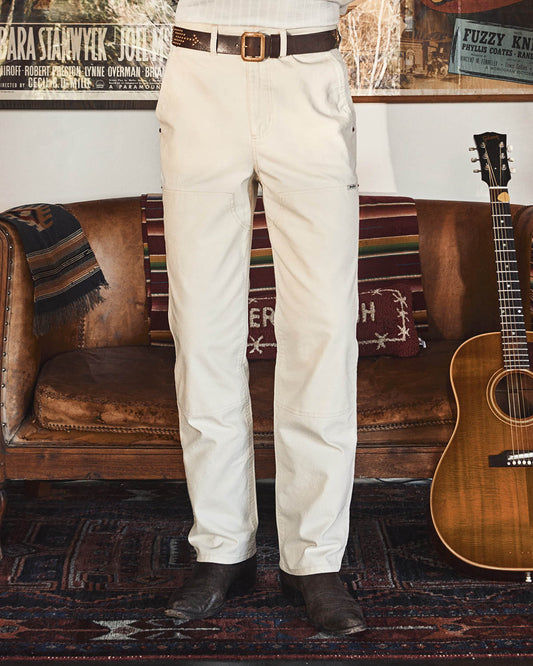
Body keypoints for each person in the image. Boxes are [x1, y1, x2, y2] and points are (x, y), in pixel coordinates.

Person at [156, 0, 366, 636]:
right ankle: (223, 550)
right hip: (201, 69)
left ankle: (315, 560)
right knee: (202, 331)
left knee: (324, 331)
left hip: (308, 70)